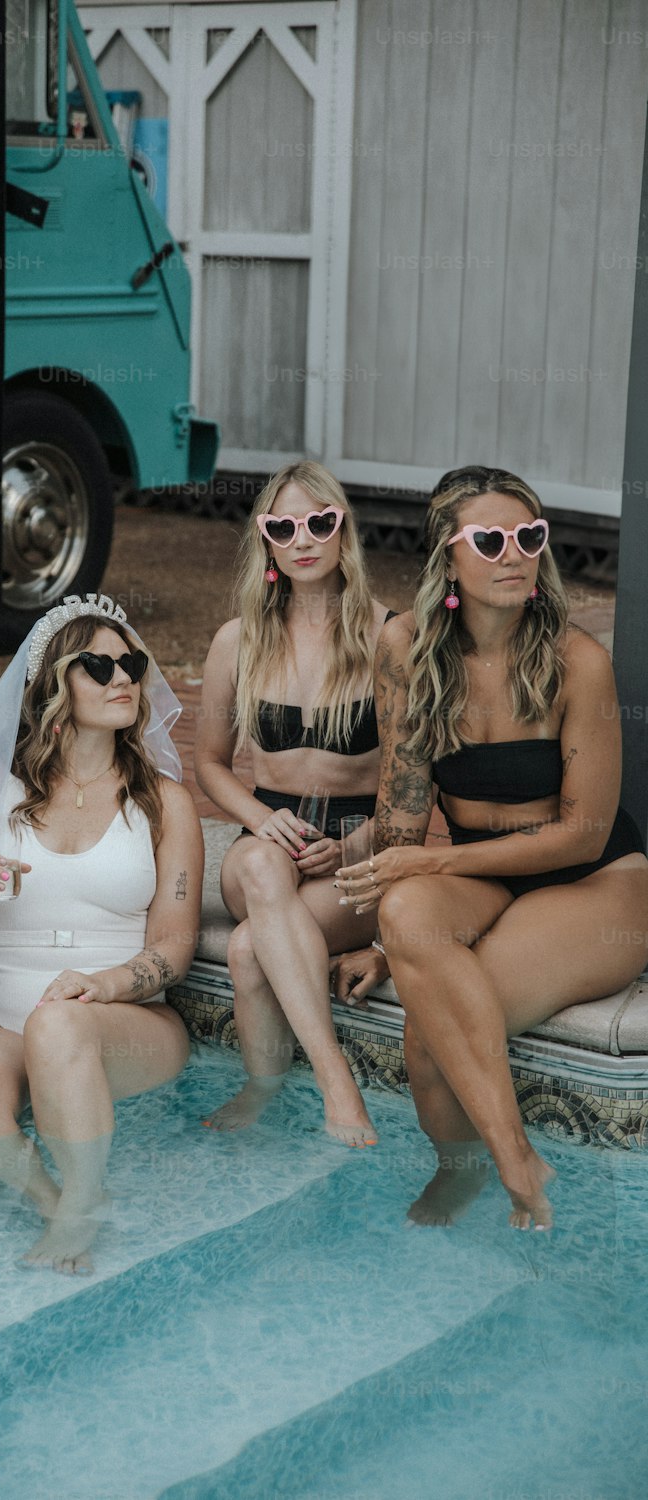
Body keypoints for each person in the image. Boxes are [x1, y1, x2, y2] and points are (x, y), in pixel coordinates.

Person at [336, 465, 648, 1231]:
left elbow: (581, 830)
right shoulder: (405, 648)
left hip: (596, 881)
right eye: (491, 539)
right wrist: (392, 945)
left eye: (530, 537)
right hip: (487, 872)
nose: (515, 554)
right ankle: (483, 1164)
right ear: (448, 555)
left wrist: (433, 864)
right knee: (408, 912)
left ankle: (502, 1163)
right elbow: (403, 814)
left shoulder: (579, 661)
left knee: (431, 1032)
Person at [0, 594, 203, 1276]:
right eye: (99, 664)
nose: (124, 677)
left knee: (59, 1025)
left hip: (122, 1021)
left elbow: (175, 948)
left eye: (133, 663)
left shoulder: (163, 801)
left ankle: (86, 1201)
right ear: (54, 683)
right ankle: (52, 1198)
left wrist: (103, 985)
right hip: (4, 1023)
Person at [193, 461, 395, 1146]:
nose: (302, 538)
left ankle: (264, 1087)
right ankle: (339, 1082)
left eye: (319, 522)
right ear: (266, 540)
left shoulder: (388, 636)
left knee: (251, 948)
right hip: (266, 838)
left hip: (355, 847)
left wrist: (357, 844)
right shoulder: (238, 640)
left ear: (344, 529)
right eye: (284, 525)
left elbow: (412, 788)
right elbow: (211, 765)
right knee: (257, 871)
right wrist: (259, 819)